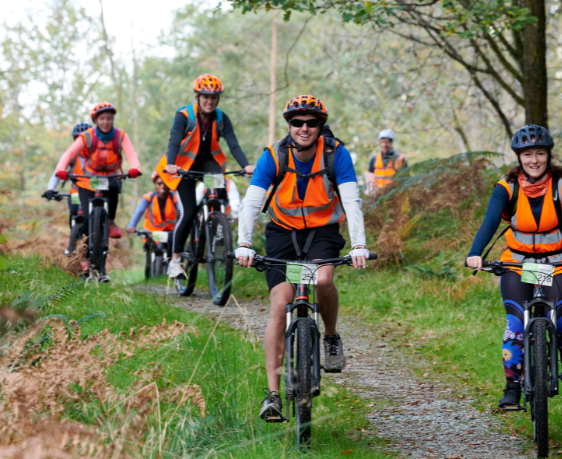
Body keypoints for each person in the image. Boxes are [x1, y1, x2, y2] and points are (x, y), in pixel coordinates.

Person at [235, 95, 370, 422]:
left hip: (322, 233)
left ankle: (331, 336)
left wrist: (358, 246)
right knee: (280, 304)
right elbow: (252, 203)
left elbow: (351, 202)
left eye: (311, 122)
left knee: (323, 279)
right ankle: (272, 395)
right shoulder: (274, 156)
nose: (304, 128)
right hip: (282, 233)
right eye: (297, 123)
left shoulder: (335, 154)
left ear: (321, 126)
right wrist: (244, 243)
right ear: (289, 126)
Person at [465, 124, 562, 411]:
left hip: (558, 263)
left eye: (540, 153)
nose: (534, 160)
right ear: (519, 157)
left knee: (560, 320)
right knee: (515, 325)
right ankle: (512, 387)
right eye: (528, 154)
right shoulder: (506, 187)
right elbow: (490, 222)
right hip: (519, 265)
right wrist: (475, 253)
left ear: (549, 155)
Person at [157, 74, 255, 279]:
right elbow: (174, 141)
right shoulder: (184, 115)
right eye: (205, 97)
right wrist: (171, 164)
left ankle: (217, 226)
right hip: (183, 167)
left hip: (207, 163)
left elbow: (233, 143)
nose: (209, 101)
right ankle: (175, 260)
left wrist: (246, 165)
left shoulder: (221, 118)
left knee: (218, 189)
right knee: (189, 211)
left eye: (213, 97)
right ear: (198, 97)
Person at [54, 102, 142, 280]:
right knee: (86, 218)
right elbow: (70, 153)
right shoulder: (87, 136)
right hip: (89, 180)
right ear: (95, 120)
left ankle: (110, 222)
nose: (106, 122)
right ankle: (84, 257)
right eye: (102, 118)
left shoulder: (120, 136)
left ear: (113, 119)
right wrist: (61, 168)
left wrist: (135, 167)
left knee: (116, 185)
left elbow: (131, 153)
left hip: (110, 177)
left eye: (109, 118)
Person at [43, 122, 92, 237]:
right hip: (77, 190)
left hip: (94, 189)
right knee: (75, 212)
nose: (82, 141)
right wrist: (50, 189)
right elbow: (57, 173)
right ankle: (74, 240)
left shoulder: (99, 153)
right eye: (78, 138)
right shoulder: (70, 155)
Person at [365, 129, 407, 194]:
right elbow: (370, 180)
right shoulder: (374, 159)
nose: (384, 145)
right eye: (382, 142)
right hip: (377, 196)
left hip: (394, 194)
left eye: (386, 142)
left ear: (391, 143)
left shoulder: (400, 159)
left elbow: (406, 180)